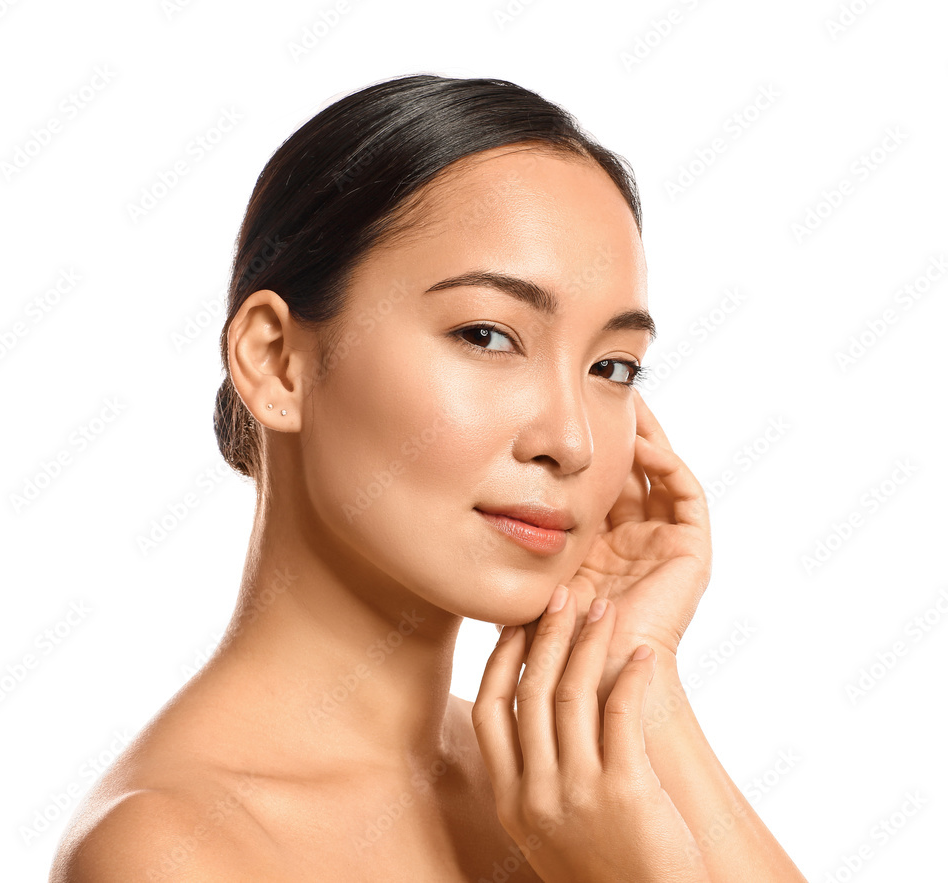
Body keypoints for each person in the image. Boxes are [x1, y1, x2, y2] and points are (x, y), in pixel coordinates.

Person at [49, 73, 807, 881]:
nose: (573, 440)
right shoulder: (172, 853)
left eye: (613, 365)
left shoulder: (576, 793)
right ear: (275, 362)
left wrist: (633, 672)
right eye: (487, 334)